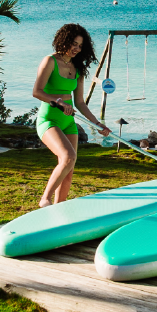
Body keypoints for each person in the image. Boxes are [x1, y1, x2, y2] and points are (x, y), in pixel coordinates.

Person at [32, 24, 110, 208]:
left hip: (68, 122)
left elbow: (80, 103)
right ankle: (45, 200)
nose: (76, 48)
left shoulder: (78, 68)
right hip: (49, 119)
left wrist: (98, 124)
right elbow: (37, 91)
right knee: (67, 157)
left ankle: (59, 209)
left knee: (69, 168)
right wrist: (59, 102)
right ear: (64, 40)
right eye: (74, 43)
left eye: (80, 46)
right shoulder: (49, 61)